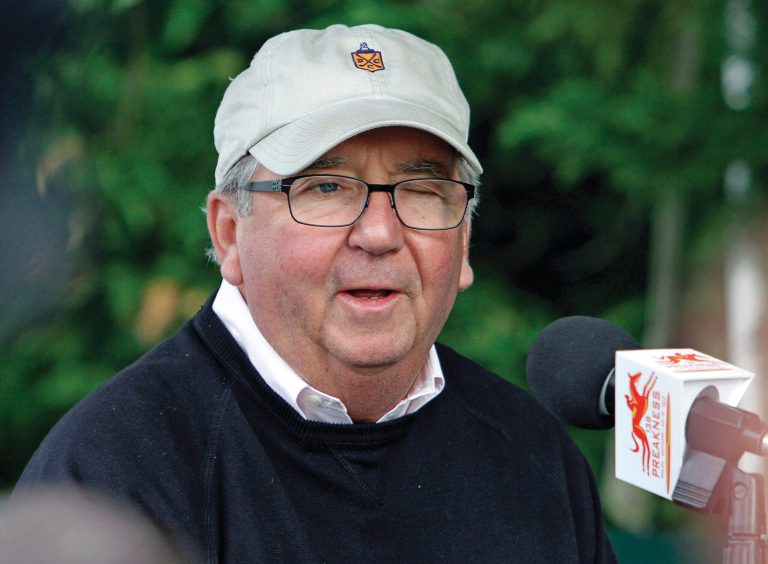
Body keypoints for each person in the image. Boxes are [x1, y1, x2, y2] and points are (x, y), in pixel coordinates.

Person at [15, 24, 617, 562]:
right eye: (325, 187)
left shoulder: (533, 459)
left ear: (463, 242)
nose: (380, 234)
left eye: (420, 190)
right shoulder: (115, 472)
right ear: (229, 234)